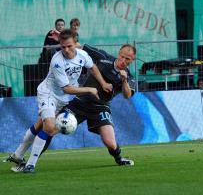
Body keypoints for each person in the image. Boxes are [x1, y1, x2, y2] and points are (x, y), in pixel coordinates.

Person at [9, 43, 136, 173]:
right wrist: (64, 39)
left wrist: (124, 80)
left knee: (110, 143)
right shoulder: (104, 57)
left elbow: (127, 95)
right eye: (122, 56)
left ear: (132, 60)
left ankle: (119, 158)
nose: (123, 61)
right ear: (119, 53)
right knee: (50, 129)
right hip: (80, 102)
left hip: (101, 107)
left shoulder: (128, 76)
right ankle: (30, 163)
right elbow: (79, 47)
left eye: (128, 59)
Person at [38, 18, 66, 82]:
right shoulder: (51, 33)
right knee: (53, 51)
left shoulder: (65, 35)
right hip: (48, 58)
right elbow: (48, 48)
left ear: (64, 27)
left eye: (62, 25)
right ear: (55, 26)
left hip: (62, 58)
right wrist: (61, 45)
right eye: (58, 25)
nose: (60, 26)